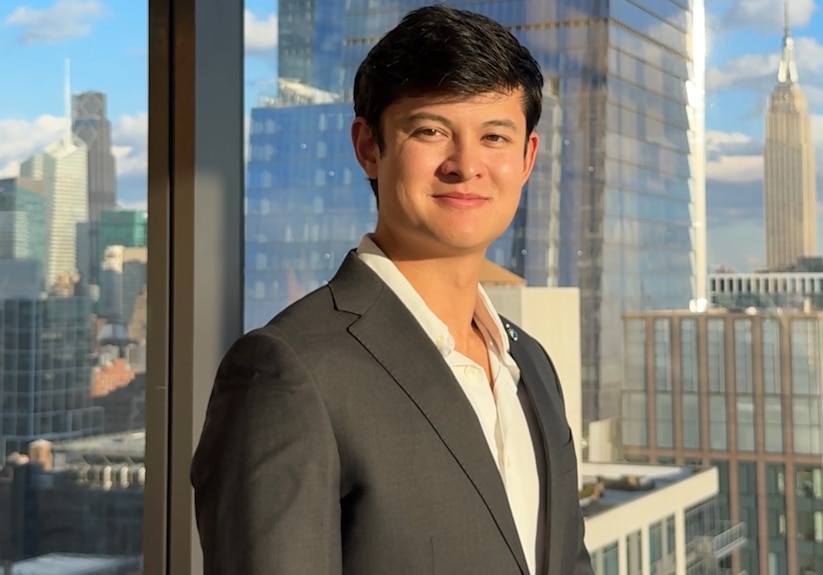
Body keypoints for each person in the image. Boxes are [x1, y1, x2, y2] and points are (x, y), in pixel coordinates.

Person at [191, 4, 594, 574]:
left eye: (495, 136)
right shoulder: (288, 371)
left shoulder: (531, 364)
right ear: (369, 148)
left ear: (527, 159)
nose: (466, 164)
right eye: (431, 131)